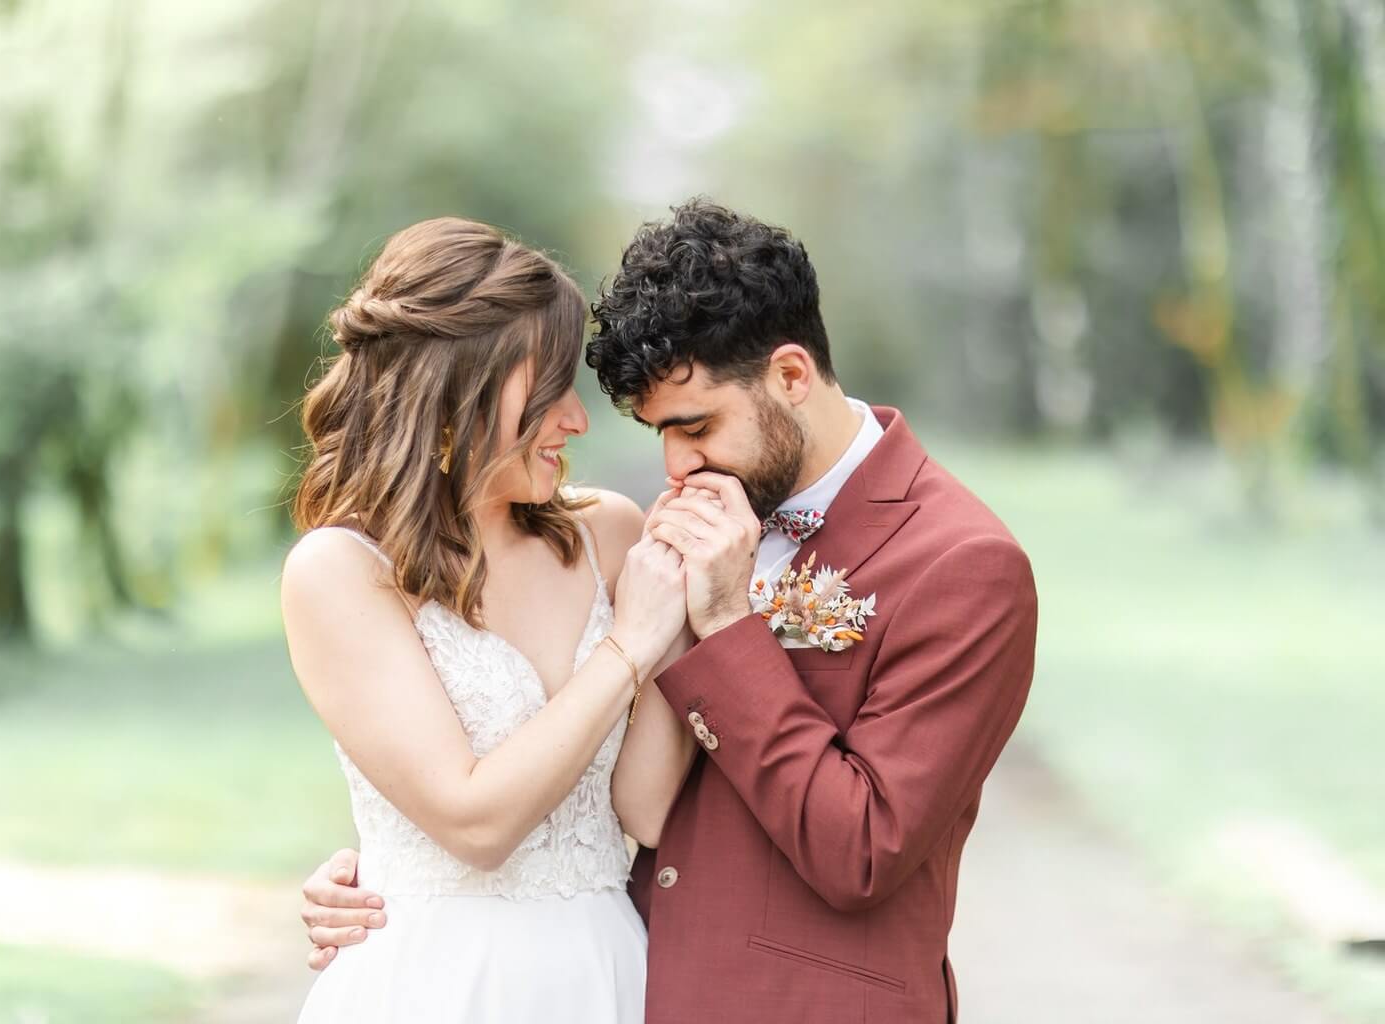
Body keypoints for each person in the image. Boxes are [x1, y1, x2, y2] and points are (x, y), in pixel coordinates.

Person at [299, 199, 1040, 1023]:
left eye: (694, 427)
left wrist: (726, 624)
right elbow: (624, 804)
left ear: (791, 377)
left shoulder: (962, 565)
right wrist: (403, 874)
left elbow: (864, 850)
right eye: (658, 433)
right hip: (616, 982)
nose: (675, 467)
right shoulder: (659, 531)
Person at [280, 216, 697, 1023]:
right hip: (432, 985)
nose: (576, 419)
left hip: (605, 974)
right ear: (456, 386)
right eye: (549, 389)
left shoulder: (611, 532)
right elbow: (475, 823)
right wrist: (631, 645)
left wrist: (680, 614)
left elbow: (646, 808)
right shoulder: (341, 574)